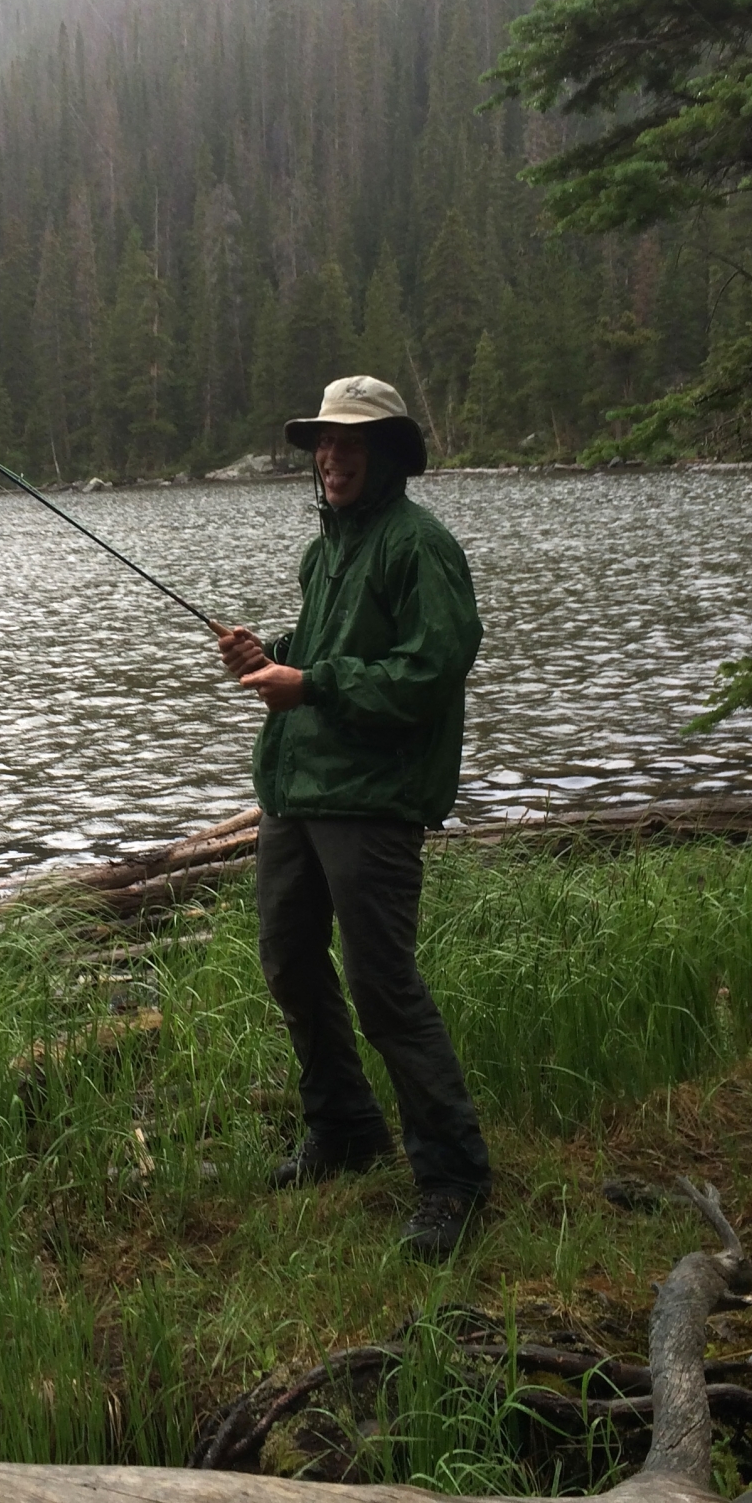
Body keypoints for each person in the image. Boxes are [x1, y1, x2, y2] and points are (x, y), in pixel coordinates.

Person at [218, 374, 491, 1261]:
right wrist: (274, 657)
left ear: (388, 456)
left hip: (372, 802)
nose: (331, 458)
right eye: (323, 444)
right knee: (290, 963)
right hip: (297, 792)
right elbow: (328, 654)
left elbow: (429, 674)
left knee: (384, 989)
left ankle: (454, 1179)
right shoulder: (324, 551)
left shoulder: (422, 547)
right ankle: (344, 1129)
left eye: (350, 443)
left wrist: (312, 683)